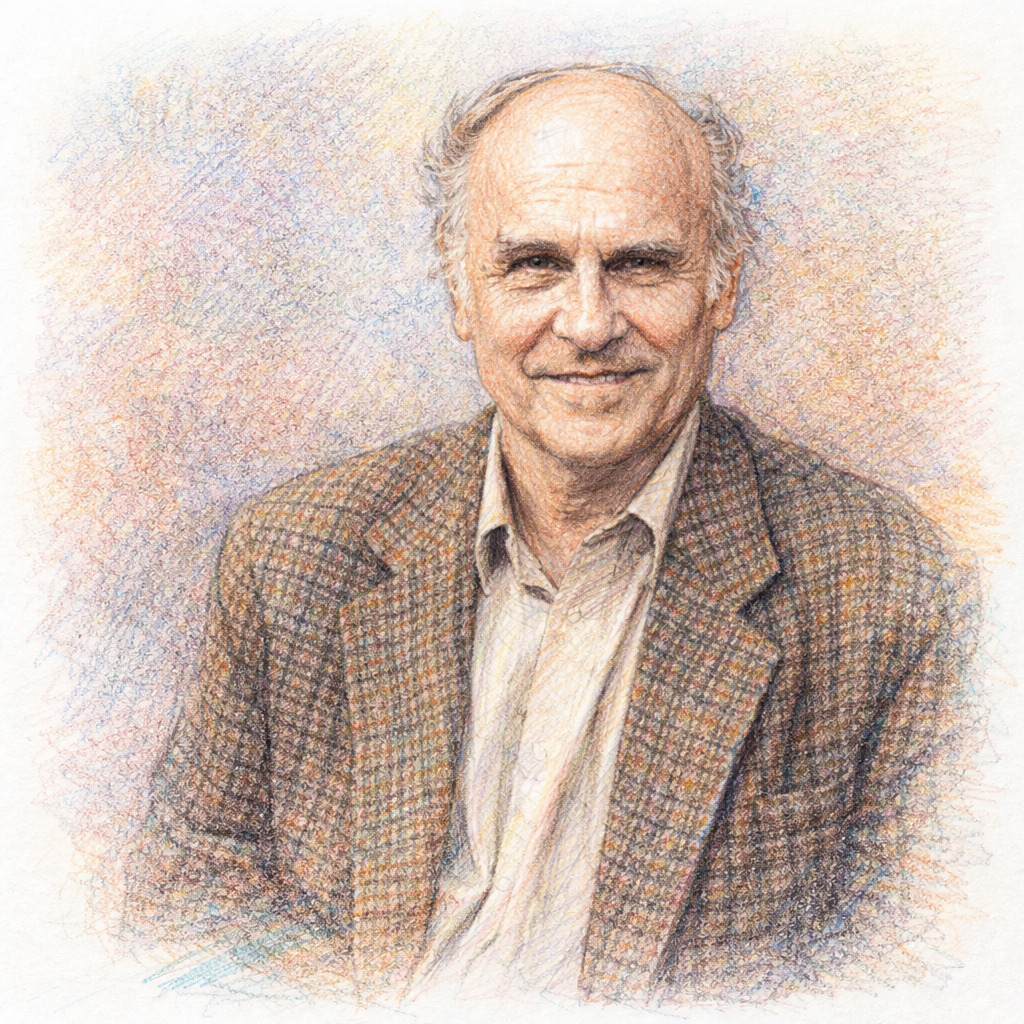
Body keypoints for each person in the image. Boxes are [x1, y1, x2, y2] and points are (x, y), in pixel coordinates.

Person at [129, 64, 974, 1003]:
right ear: (463, 295)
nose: (587, 323)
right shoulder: (293, 553)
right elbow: (188, 906)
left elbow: (919, 967)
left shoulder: (885, 587)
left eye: (640, 264)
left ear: (722, 288)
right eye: (533, 264)